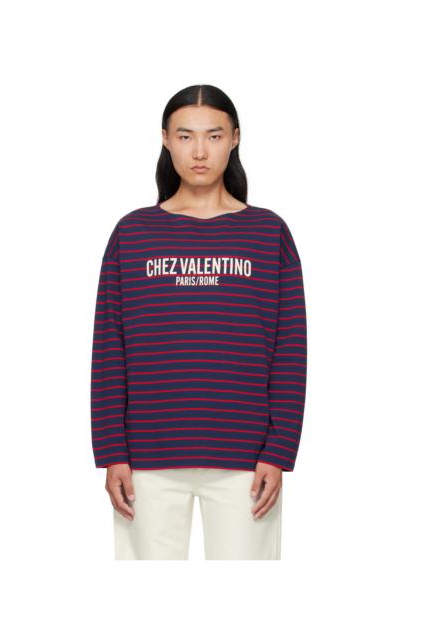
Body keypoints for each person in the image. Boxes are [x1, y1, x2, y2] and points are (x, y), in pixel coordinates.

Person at [90, 84, 308, 560]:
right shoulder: (133, 233)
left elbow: (290, 348)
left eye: (214, 135)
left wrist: (279, 450)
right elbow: (109, 346)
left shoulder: (268, 233)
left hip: (246, 456)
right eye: (186, 136)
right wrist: (111, 452)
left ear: (235, 139)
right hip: (147, 456)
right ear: (166, 140)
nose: (200, 151)